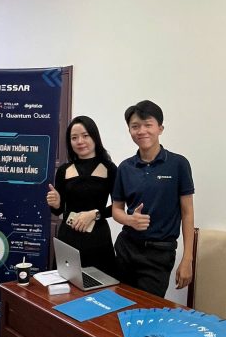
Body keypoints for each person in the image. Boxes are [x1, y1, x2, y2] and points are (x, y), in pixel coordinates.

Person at [112, 100, 194, 297]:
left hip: (159, 254)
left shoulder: (178, 164)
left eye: (148, 124)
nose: (141, 131)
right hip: (126, 249)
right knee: (119, 306)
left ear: (160, 128)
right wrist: (130, 220)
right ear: (130, 131)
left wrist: (187, 259)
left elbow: (187, 213)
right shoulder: (125, 168)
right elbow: (116, 209)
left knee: (148, 310)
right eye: (135, 126)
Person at [46, 116, 118, 274]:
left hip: (98, 238)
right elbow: (58, 211)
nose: (80, 141)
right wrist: (56, 204)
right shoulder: (63, 170)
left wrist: (94, 214)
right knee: (65, 283)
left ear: (94, 137)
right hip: (69, 237)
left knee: (101, 284)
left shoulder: (110, 168)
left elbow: (118, 207)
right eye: (74, 138)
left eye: (85, 136)